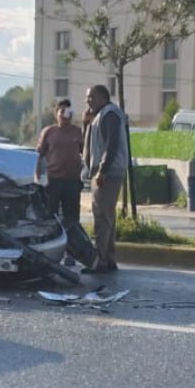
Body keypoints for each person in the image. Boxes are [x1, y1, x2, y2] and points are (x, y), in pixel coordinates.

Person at [81, 84, 128, 274]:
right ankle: (108, 258)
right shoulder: (100, 115)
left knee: (101, 216)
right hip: (105, 171)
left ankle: (100, 260)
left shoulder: (109, 114)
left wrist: (103, 170)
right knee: (107, 216)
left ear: (103, 97)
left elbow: (112, 143)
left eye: (91, 97)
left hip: (108, 172)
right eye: (87, 97)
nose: (88, 100)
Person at [35, 99, 84, 265]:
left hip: (72, 181)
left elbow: (86, 152)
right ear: (56, 114)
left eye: (68, 111)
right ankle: (50, 252)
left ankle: (71, 253)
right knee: (51, 217)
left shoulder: (78, 132)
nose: (65, 114)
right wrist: (38, 177)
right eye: (62, 111)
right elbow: (40, 156)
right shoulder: (49, 132)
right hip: (53, 181)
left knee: (72, 218)